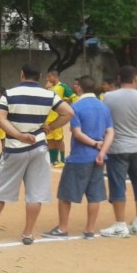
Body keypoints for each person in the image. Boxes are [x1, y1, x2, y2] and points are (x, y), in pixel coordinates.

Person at [0, 63, 74, 245]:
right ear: (39, 76)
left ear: (22, 75)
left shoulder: (10, 94)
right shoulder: (49, 94)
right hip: (38, 147)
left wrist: (19, 135)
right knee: (35, 193)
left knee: (0, 191)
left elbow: (0, 119)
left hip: (15, 148)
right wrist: (50, 127)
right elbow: (68, 112)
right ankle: (28, 233)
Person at [42, 75, 113, 239]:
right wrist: (101, 151)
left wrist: (95, 144)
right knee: (94, 195)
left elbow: (77, 133)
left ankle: (63, 228)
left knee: (66, 194)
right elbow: (110, 132)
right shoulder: (103, 107)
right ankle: (89, 230)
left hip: (80, 156)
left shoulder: (77, 107)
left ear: (79, 87)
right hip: (98, 157)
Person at [45, 70, 78, 168]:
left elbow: (74, 97)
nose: (47, 79)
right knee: (50, 139)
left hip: (57, 117)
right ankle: (53, 160)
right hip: (48, 117)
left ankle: (62, 160)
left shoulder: (62, 86)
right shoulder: (48, 88)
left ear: (54, 76)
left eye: (49, 77)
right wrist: (46, 89)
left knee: (59, 139)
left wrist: (68, 102)